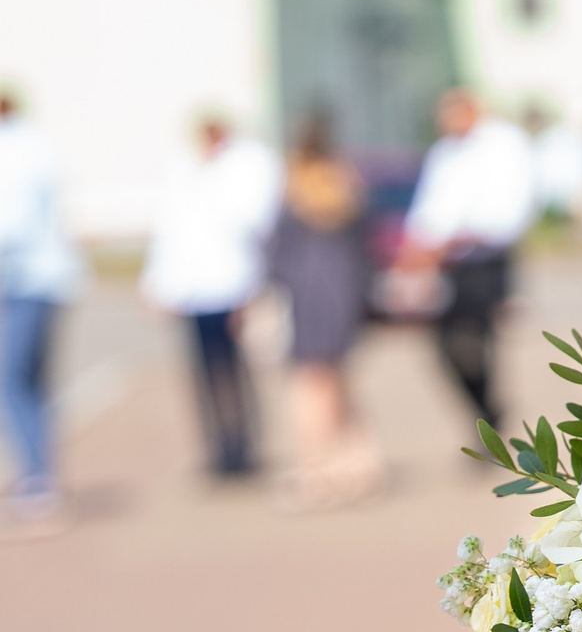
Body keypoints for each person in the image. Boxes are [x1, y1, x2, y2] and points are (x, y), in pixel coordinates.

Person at [141, 114, 282, 480]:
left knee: (235, 372)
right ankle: (219, 450)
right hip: (193, 291)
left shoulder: (247, 166)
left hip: (232, 288)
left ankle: (244, 446)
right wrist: (159, 284)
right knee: (202, 374)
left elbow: (255, 228)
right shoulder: (183, 170)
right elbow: (171, 232)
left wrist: (252, 289)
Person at [399, 88, 536, 432]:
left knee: (475, 344)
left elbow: (511, 214)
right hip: (448, 266)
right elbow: (429, 211)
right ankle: (486, 415)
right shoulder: (443, 152)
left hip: (485, 263)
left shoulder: (505, 144)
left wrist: (458, 236)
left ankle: (489, 423)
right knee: (446, 348)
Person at [268, 110, 383, 509]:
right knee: (339, 381)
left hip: (308, 295)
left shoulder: (294, 186)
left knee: (310, 385)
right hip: (344, 292)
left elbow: (278, 251)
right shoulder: (345, 183)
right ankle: (359, 462)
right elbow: (366, 243)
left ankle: (317, 468)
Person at [0, 90, 84, 533]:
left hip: (26, 280)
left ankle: (38, 477)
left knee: (14, 379)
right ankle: (38, 471)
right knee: (29, 382)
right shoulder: (35, 146)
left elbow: (12, 223)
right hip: (38, 280)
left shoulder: (18, 151)